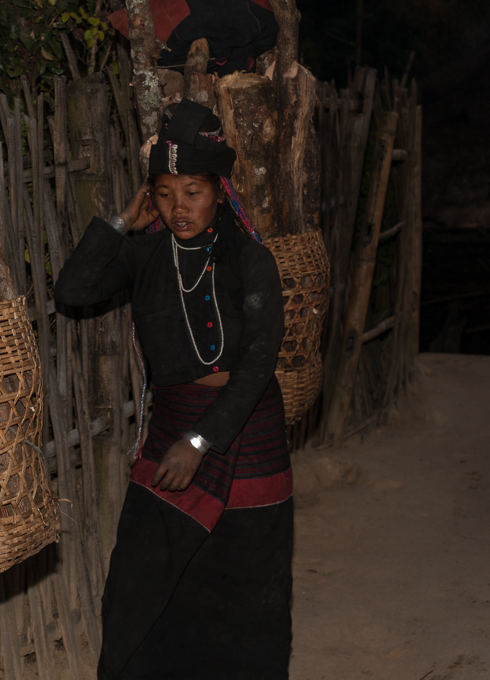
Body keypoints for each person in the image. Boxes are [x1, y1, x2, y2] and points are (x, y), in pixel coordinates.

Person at [54, 100, 293, 680]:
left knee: (243, 591)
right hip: (172, 428)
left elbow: (260, 361)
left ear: (219, 191)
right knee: (140, 584)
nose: (178, 207)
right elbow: (73, 291)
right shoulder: (146, 253)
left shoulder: (249, 259)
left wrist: (202, 439)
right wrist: (117, 226)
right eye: (164, 193)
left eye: (193, 191)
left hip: (245, 431)